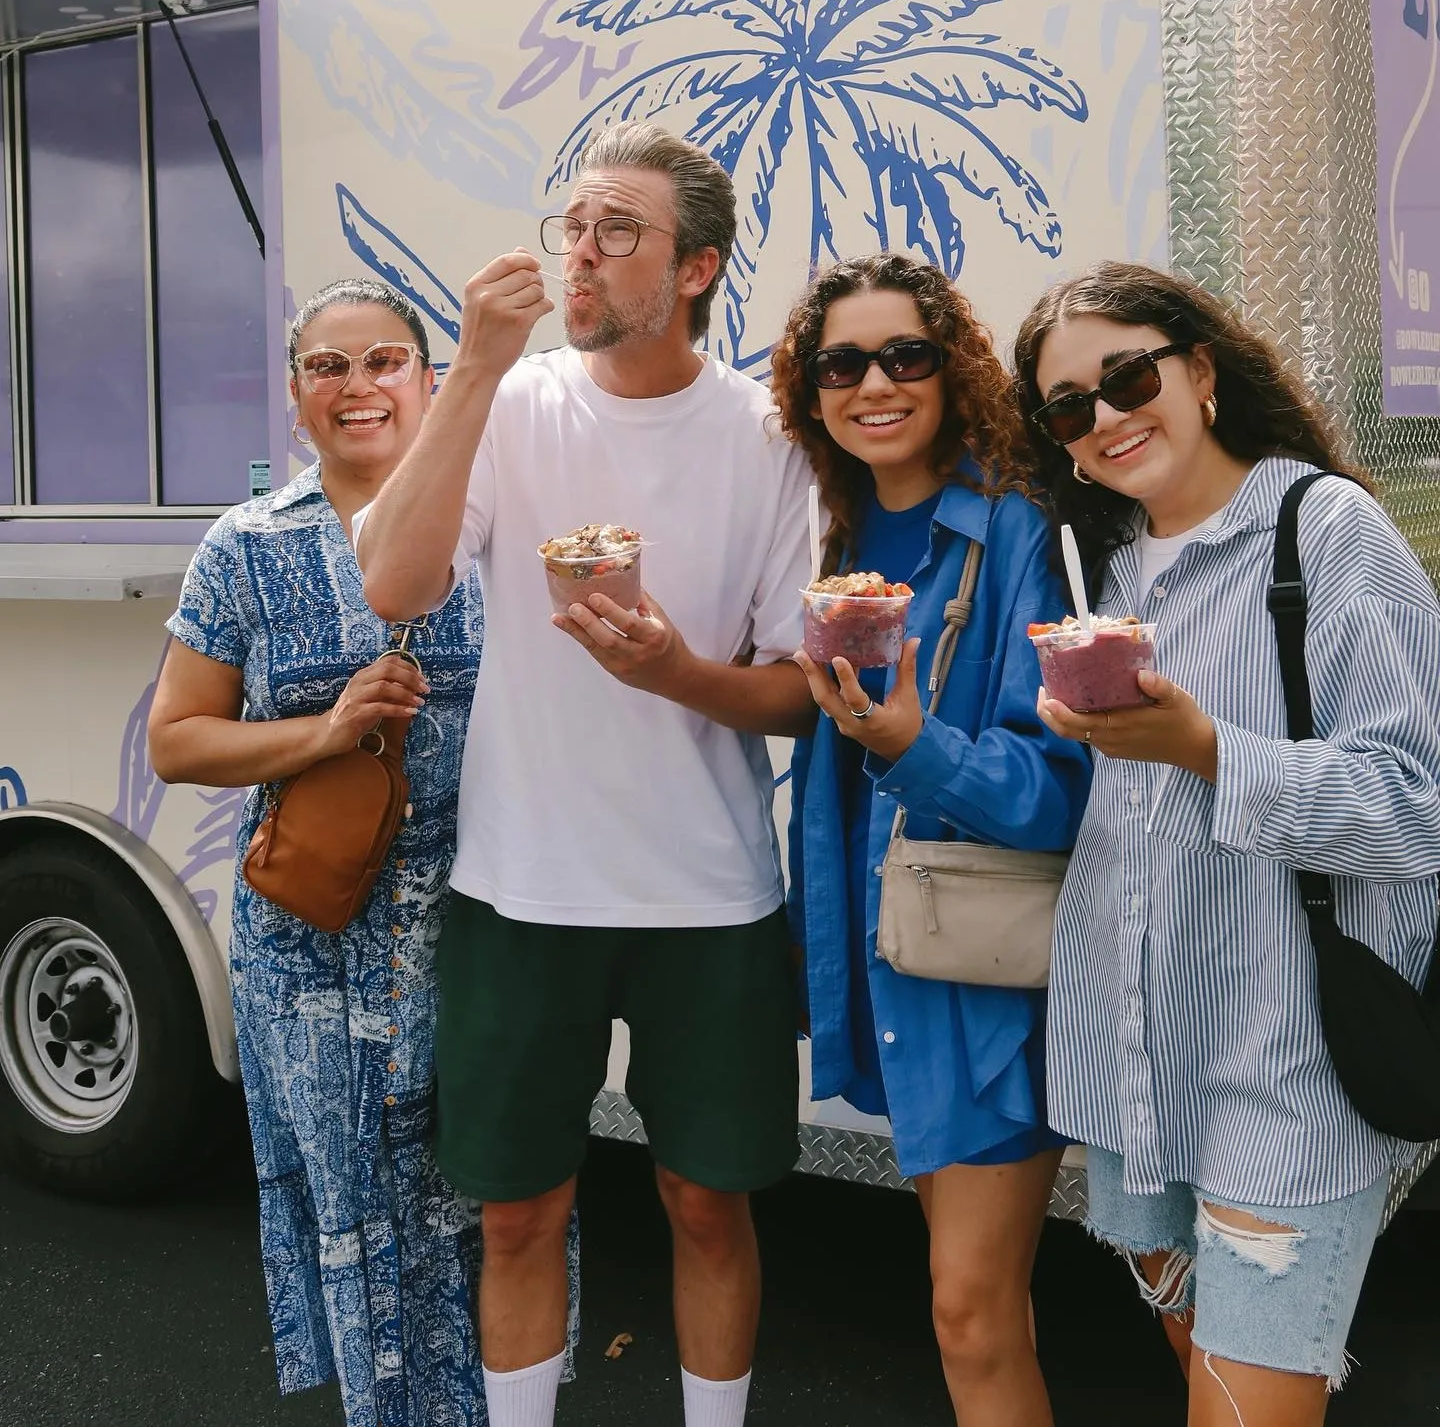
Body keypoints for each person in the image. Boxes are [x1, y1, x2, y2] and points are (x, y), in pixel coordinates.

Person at [357, 124, 816, 1427]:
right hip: (522, 883)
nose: (581, 253)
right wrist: (473, 365)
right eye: (574, 226)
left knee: (707, 1201)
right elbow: (394, 583)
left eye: (619, 231)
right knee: (517, 1211)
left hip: (708, 889)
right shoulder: (510, 403)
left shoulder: (766, 435)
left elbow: (799, 687)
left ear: (696, 267)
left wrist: (675, 671)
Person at [1013, 261, 1440, 1427]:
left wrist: (1208, 749)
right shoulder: (1109, 570)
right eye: (1068, 407)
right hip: (1139, 1066)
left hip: (1284, 1064)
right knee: (1203, 1372)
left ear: (1200, 371)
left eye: (1127, 376)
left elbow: (1416, 806)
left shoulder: (1325, 530)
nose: (1104, 416)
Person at [149, 277, 578, 1427]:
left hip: (484, 929)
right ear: (296, 396)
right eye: (327, 366)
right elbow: (177, 739)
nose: (358, 386)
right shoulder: (246, 545)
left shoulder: (500, 520)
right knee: (358, 1211)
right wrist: (325, 729)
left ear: (428, 380)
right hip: (312, 946)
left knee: (490, 1207)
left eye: (384, 359)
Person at [770, 254, 1091, 1427]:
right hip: (888, 949)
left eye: (906, 354)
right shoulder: (830, 529)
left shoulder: (1011, 529)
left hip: (982, 974)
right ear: (810, 391)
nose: (874, 384)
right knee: (979, 1304)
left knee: (969, 1306)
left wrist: (911, 741)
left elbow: (1056, 787)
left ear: (951, 368)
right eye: (841, 364)